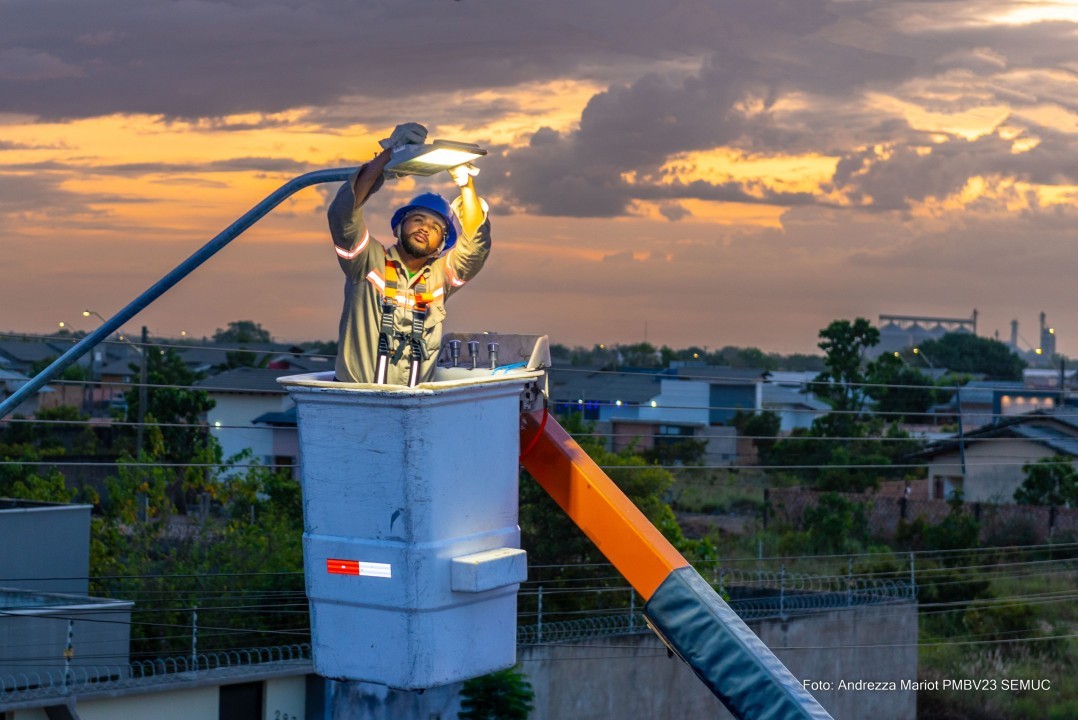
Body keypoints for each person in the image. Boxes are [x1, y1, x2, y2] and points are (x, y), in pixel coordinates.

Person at [328, 122, 491, 386]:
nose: (425, 228)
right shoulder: (367, 262)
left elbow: (476, 247)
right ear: (399, 227)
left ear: (442, 244)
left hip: (414, 409)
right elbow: (343, 215)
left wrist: (466, 184)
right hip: (356, 401)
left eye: (435, 227)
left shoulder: (441, 278)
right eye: (417, 219)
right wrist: (388, 156)